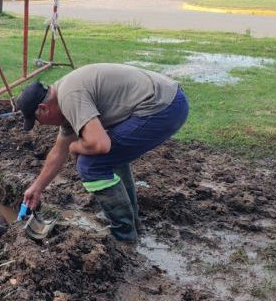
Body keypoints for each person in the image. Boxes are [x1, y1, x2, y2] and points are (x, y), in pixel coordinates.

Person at [16, 63, 189, 242]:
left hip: (164, 107)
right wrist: (36, 188)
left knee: (91, 164)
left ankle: (124, 237)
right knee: (109, 158)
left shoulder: (70, 97)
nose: (42, 125)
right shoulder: (64, 96)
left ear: (44, 109)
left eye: (37, 121)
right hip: (169, 99)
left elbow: (100, 144)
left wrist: (74, 147)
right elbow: (57, 153)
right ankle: (132, 224)